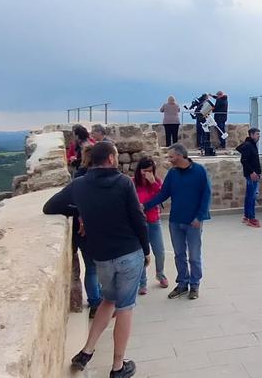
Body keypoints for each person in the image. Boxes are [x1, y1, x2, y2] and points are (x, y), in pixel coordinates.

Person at [43, 142, 150, 377]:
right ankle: (118, 366)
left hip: (101, 257)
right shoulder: (123, 183)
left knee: (108, 300)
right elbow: (138, 217)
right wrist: (146, 249)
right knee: (125, 308)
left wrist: (81, 210)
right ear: (112, 159)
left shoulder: (79, 185)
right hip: (128, 253)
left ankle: (87, 351)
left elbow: (49, 207)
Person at [142, 143, 211, 300]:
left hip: (193, 222)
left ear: (180, 156)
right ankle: (182, 283)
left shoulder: (199, 171)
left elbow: (206, 195)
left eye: (171, 156)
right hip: (175, 221)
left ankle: (194, 285)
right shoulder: (172, 173)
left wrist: (200, 217)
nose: (169, 159)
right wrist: (145, 206)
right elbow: (163, 194)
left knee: (194, 256)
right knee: (179, 255)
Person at [72, 143, 102, 316]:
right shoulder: (101, 177)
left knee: (91, 268)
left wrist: (80, 216)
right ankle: (100, 299)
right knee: (99, 267)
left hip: (83, 232)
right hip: (98, 229)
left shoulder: (78, 178)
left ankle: (95, 303)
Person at [134, 156, 169, 293]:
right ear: (140, 170)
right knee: (141, 253)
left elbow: (161, 196)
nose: (147, 173)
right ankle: (142, 282)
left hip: (154, 221)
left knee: (159, 251)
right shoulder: (133, 183)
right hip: (139, 223)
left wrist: (153, 182)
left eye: (150, 170)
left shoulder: (156, 181)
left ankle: (160, 274)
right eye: (145, 170)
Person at [235, 128, 261, 227]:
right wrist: (252, 172)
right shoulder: (248, 146)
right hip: (251, 175)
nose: (259, 136)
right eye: (257, 134)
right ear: (251, 135)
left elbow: (254, 160)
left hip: (254, 174)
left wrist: (259, 172)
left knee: (249, 196)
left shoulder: (252, 145)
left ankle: (247, 216)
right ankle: (251, 218)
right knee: (251, 197)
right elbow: (244, 160)